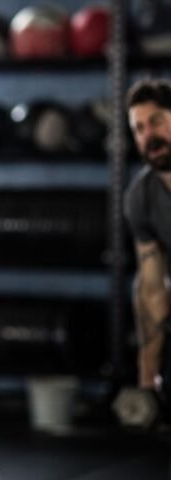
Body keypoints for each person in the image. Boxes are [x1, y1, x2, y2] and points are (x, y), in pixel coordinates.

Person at [125, 78, 171, 403]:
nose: (148, 136)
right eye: (139, 129)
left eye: (156, 121)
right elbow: (152, 288)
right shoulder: (140, 196)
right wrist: (148, 379)